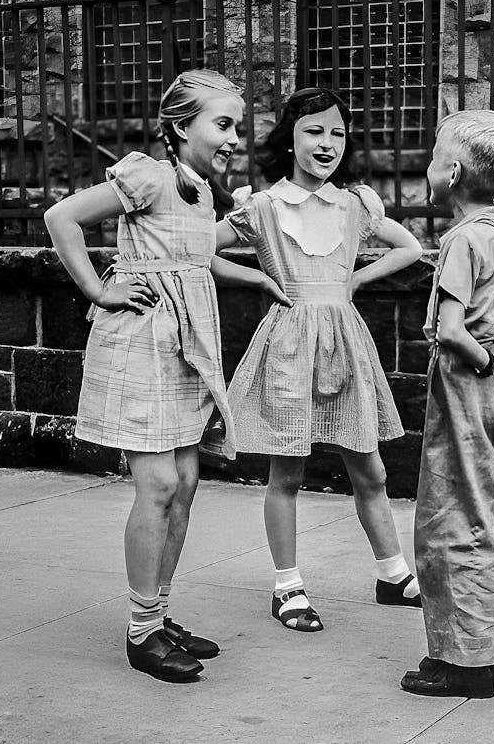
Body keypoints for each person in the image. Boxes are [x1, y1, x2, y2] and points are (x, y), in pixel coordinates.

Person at [43, 69, 289, 682]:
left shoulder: (201, 192)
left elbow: (198, 259)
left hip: (186, 348)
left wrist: (256, 277)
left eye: (238, 126)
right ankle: (141, 632)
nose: (235, 138)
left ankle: (157, 612)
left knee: (184, 479)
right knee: (155, 484)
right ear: (181, 127)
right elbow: (62, 219)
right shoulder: (147, 175)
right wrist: (99, 290)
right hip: (141, 343)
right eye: (223, 124)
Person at [210, 87, 423, 633]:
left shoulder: (355, 205)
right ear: (288, 140)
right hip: (288, 346)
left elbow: (410, 248)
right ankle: (288, 587)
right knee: (288, 470)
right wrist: (257, 276)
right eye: (313, 131)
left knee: (369, 466)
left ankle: (393, 574)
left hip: (345, 346)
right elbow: (196, 251)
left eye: (336, 133)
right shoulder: (261, 206)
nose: (326, 143)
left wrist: (355, 278)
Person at [400, 110, 494, 699]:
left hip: (469, 377)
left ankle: (464, 662)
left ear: (452, 172)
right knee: (491, 513)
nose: (428, 166)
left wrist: (485, 362)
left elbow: (453, 331)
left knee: (452, 517)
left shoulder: (462, 240)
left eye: (434, 156)